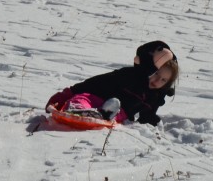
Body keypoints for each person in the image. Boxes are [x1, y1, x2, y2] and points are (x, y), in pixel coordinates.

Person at [45, 41, 179, 126]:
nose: (157, 81)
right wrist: (68, 93)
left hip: (118, 111)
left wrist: (150, 120)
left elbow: (148, 113)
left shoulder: (155, 95)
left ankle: (103, 114)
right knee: (81, 99)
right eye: (156, 74)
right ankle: (78, 110)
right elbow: (97, 81)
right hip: (96, 97)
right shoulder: (129, 75)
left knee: (118, 111)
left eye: (163, 80)